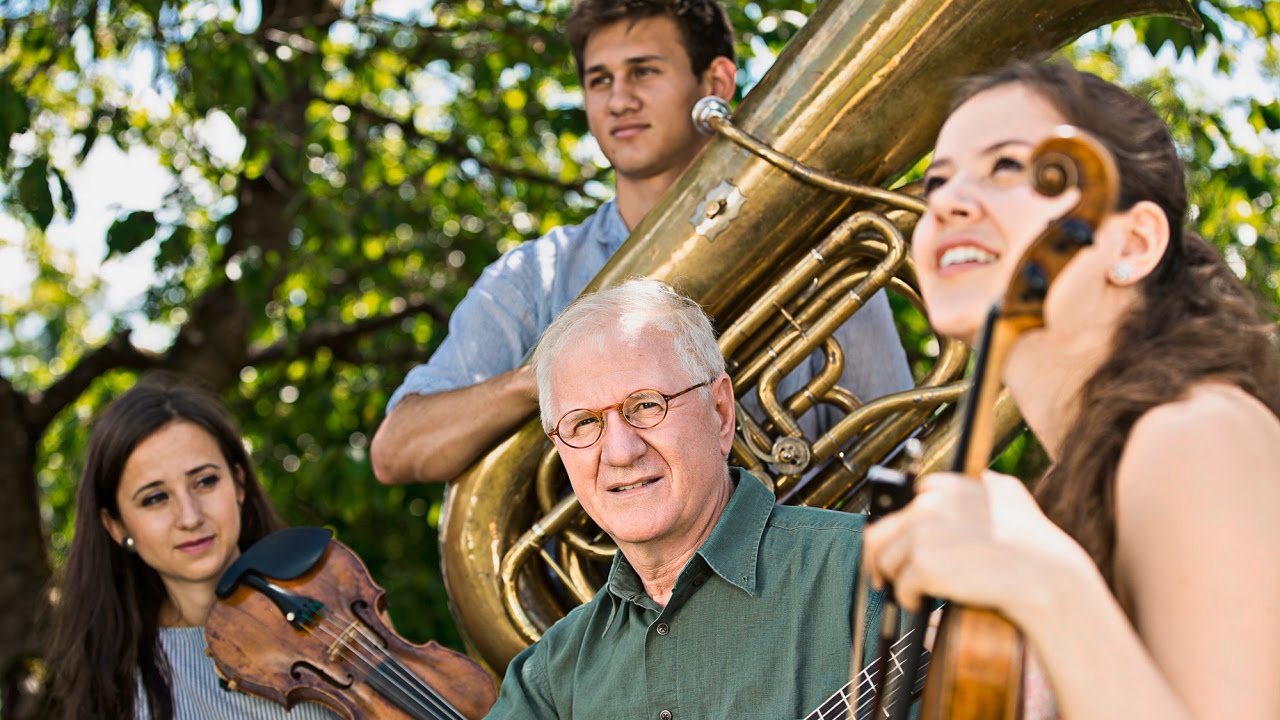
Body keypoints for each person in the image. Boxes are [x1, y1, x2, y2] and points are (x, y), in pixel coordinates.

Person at [862, 62, 1280, 719]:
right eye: (938, 181)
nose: (945, 202)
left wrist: (1044, 585)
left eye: (1008, 168)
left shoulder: (1195, 433)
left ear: (1134, 243)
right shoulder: (1073, 484)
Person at [370, 0, 913, 485]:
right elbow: (398, 451)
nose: (619, 99)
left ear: (717, 83)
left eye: (644, 71)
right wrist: (547, 376)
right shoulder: (534, 276)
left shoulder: (818, 259)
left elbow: (894, 452)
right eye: (599, 80)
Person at [485, 278, 883, 718]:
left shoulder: (876, 572)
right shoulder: (548, 684)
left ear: (721, 413)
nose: (621, 451)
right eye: (582, 423)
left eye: (646, 405)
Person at [45, 379, 339, 720]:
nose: (189, 516)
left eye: (205, 481)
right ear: (116, 525)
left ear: (239, 483)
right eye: (155, 498)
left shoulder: (330, 601)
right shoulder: (116, 681)